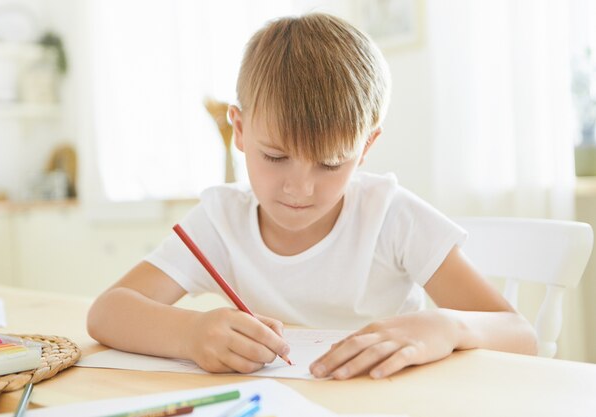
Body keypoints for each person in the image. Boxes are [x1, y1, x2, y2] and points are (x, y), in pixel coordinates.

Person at [87, 13, 537, 380]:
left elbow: (521, 334)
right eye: (275, 156)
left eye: (329, 164)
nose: (299, 188)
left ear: (366, 147)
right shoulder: (220, 221)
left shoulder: (390, 216)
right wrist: (190, 332)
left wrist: (447, 325)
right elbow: (107, 313)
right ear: (240, 131)